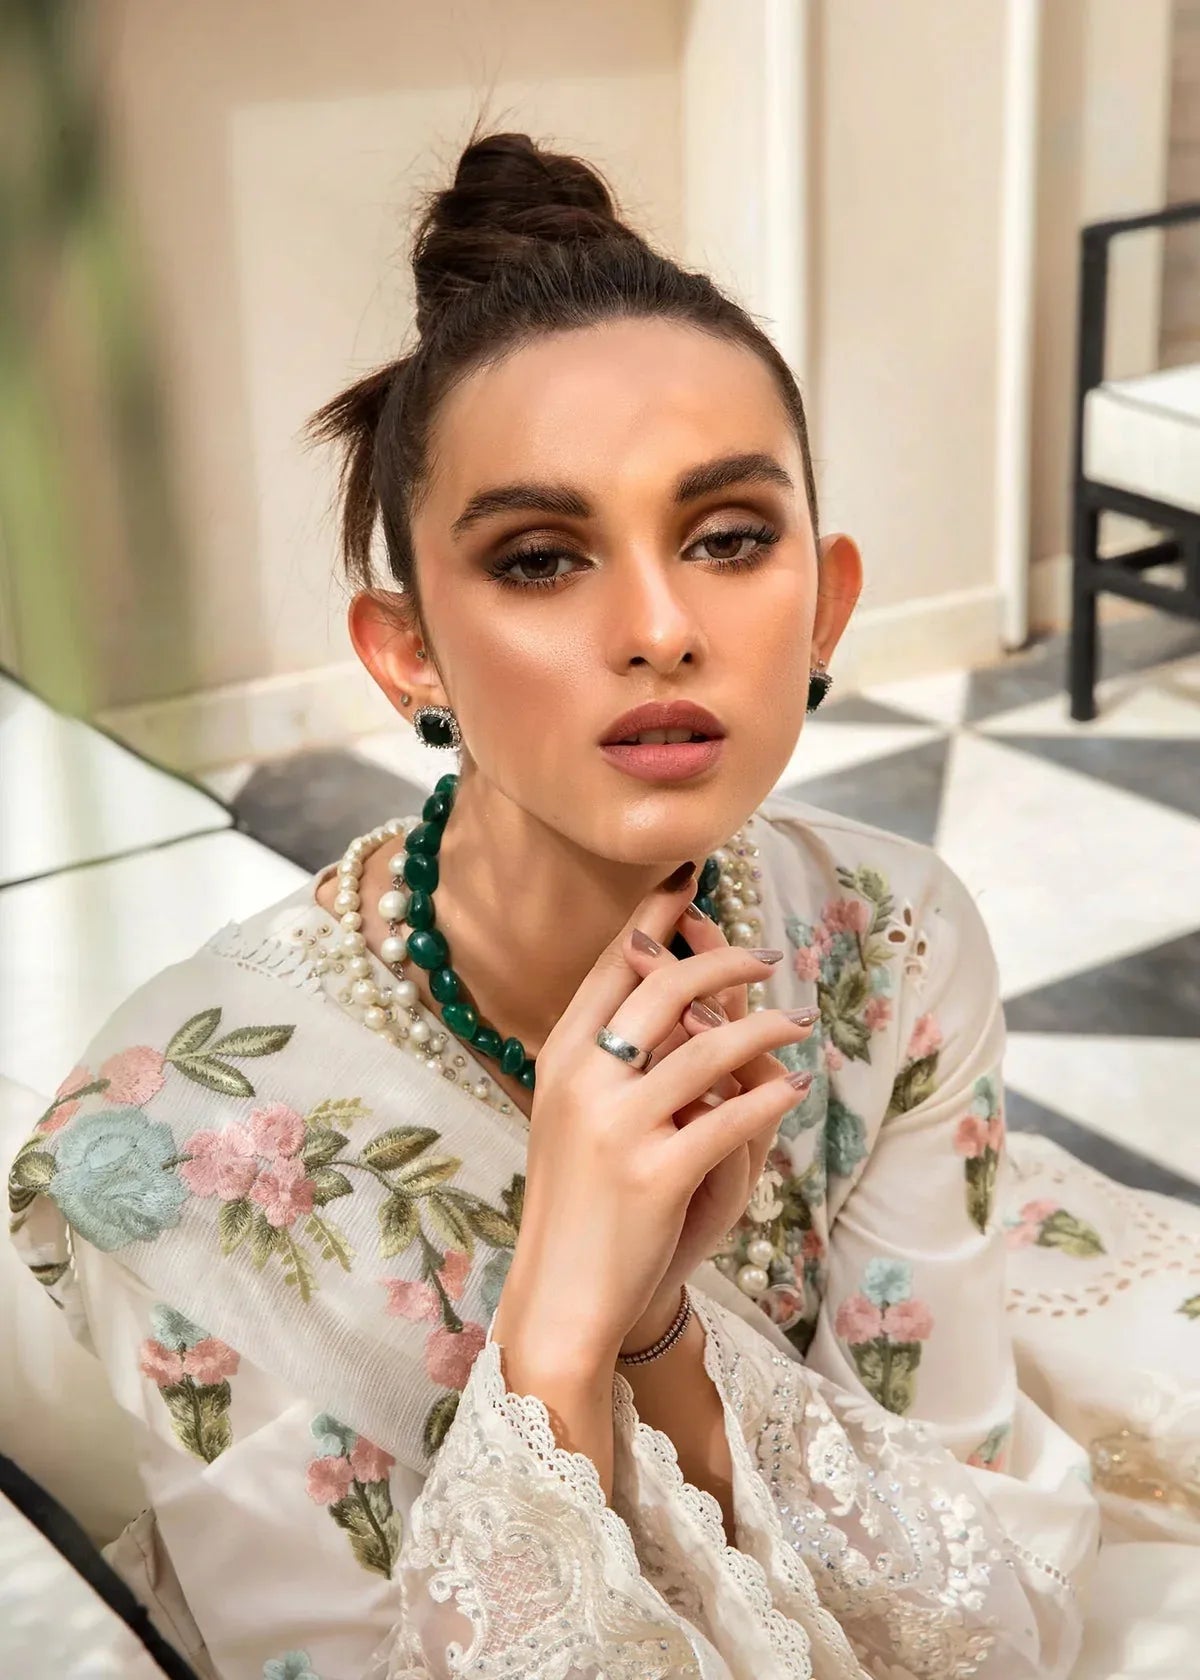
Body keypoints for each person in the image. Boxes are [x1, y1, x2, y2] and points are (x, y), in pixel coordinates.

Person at [10, 132, 1199, 1680]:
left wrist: (660, 1336)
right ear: (408, 653)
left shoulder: (889, 938)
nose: (658, 627)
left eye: (728, 538)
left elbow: (983, 1613)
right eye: (540, 558)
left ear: (827, 604)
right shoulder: (174, 1148)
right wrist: (560, 1334)